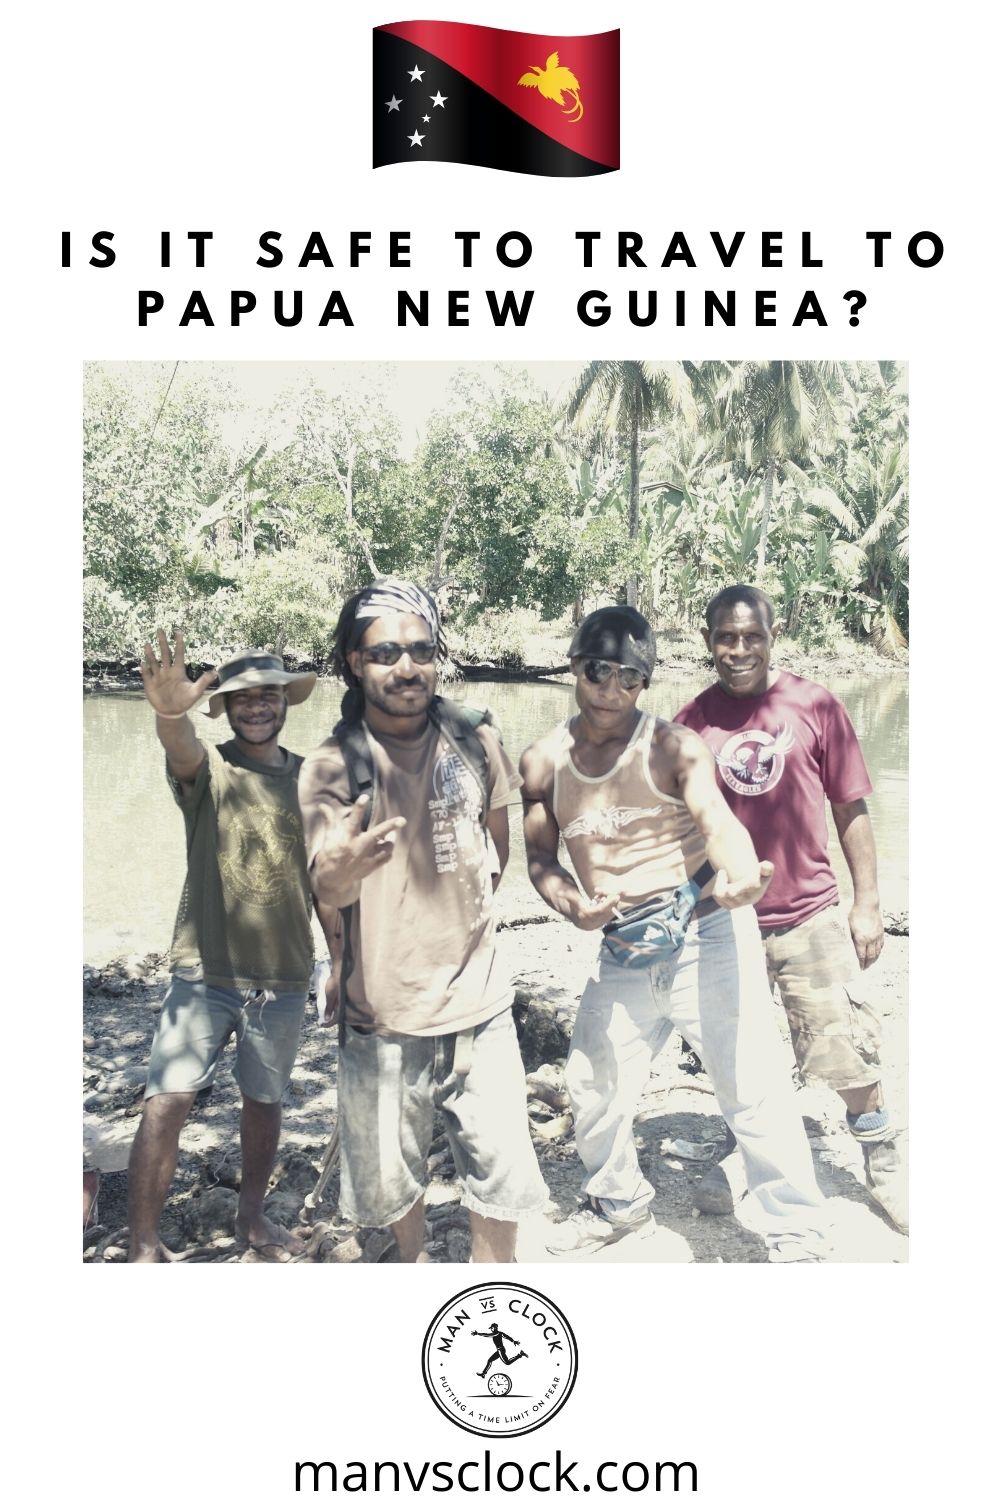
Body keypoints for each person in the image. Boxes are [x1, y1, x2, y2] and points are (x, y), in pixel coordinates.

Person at [520, 605, 829, 1263]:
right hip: (622, 946)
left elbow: (720, 824)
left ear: (644, 682)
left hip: (705, 932)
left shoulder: (671, 747)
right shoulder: (544, 761)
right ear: (574, 666)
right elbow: (541, 859)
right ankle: (618, 1204)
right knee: (591, 1083)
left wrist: (743, 877)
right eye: (598, 671)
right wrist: (572, 905)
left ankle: (797, 1232)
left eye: (629, 677)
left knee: (751, 1086)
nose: (611, 689)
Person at [297, 578, 546, 1264]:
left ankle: (487, 1284)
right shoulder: (331, 765)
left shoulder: (475, 736)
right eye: (384, 654)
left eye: (420, 650)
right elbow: (324, 876)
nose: (405, 667)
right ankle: (412, 1265)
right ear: (354, 662)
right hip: (380, 1017)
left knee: (501, 1182)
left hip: (481, 1005)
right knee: (389, 1187)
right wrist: (344, 870)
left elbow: (497, 846)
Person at [675, 584, 907, 1232]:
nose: (739, 649)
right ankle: (747, 1158)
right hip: (726, 921)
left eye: (752, 636)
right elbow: (677, 828)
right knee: (737, 1052)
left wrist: (868, 904)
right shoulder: (692, 722)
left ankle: (882, 1158)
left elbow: (851, 807)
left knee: (847, 1053)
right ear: (708, 641)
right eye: (726, 637)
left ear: (773, 636)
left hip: (808, 914)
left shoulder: (815, 705)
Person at [127, 633, 316, 1262]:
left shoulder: (311, 779)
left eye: (270, 696)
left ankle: (252, 1218)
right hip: (204, 974)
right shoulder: (210, 770)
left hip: (285, 978)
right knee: (167, 1101)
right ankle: (142, 1244)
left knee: (264, 1105)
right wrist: (168, 712)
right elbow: (178, 748)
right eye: (244, 699)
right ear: (226, 708)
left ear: (286, 701)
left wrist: (344, 963)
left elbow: (328, 879)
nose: (258, 706)